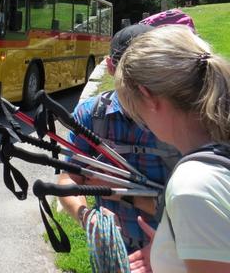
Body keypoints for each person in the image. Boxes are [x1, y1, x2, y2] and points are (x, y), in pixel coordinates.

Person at [115, 25, 230, 273]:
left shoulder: (192, 187)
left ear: (148, 98)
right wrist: (171, 253)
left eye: (136, 110)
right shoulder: (219, 155)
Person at [57, 24, 179, 253]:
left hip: (176, 251)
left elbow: (196, 207)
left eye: (145, 70)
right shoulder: (91, 115)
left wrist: (120, 192)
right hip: (112, 251)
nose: (139, 84)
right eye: (130, 71)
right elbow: (68, 179)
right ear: (111, 66)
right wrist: (88, 218)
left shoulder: (178, 116)